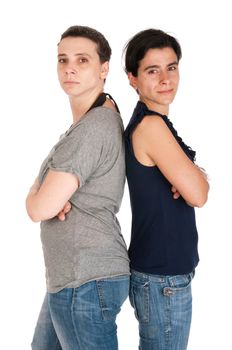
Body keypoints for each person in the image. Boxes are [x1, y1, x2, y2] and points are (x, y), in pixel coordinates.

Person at [26, 25, 130, 350]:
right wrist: (45, 189)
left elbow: (39, 208)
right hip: (74, 279)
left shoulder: (93, 127)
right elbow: (47, 200)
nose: (69, 67)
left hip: (84, 280)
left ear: (104, 68)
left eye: (82, 60)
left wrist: (37, 192)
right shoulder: (93, 121)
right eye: (63, 59)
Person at [123, 29, 209, 350]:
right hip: (163, 281)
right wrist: (192, 178)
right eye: (152, 70)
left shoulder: (156, 122)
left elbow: (195, 185)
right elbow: (199, 194)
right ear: (132, 78)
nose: (165, 79)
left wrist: (191, 175)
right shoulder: (152, 126)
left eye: (171, 67)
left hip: (160, 277)